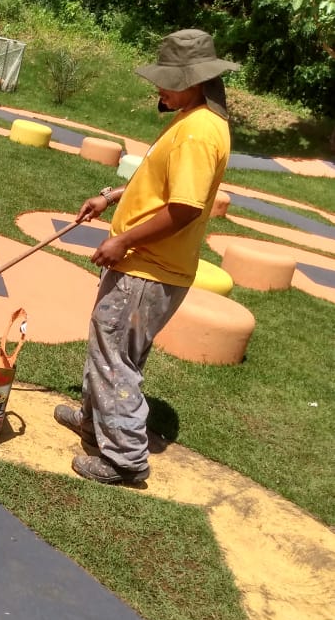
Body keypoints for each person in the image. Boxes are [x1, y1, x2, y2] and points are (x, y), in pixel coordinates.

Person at [55, 28, 240, 485]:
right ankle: (95, 421)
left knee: (115, 354)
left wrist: (123, 241)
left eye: (168, 79)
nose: (159, 87)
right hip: (149, 264)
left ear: (196, 80)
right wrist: (111, 196)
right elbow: (161, 185)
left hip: (149, 268)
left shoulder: (198, 132)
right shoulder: (195, 119)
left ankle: (124, 458)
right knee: (112, 346)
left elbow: (184, 208)